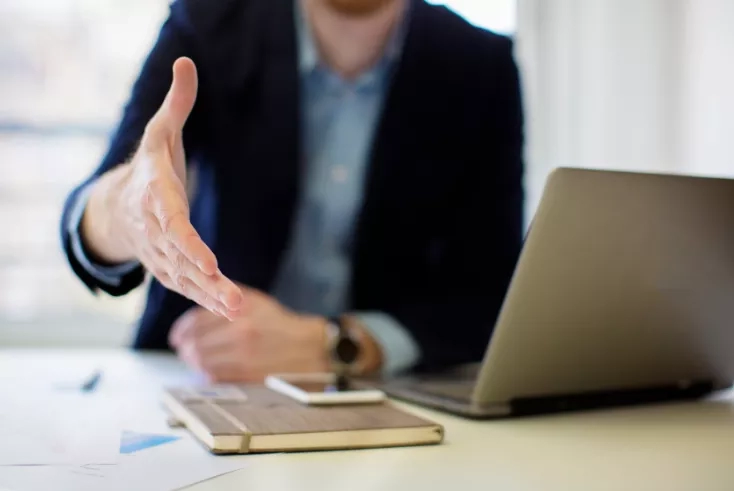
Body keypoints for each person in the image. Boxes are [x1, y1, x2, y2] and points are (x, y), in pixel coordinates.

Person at [60, 0, 524, 382]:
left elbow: (491, 296)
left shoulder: (480, 64)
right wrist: (126, 208)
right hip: (198, 375)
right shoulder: (208, 21)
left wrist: (339, 343)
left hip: (382, 394)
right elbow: (93, 215)